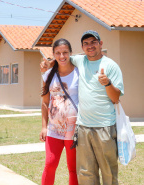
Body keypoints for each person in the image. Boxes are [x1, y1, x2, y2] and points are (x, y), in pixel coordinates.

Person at [40, 30, 124, 185]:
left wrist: (107, 83)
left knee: (99, 170)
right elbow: (61, 60)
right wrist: (50, 63)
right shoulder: (66, 67)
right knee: (83, 171)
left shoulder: (102, 66)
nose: (90, 46)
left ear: (100, 43)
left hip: (93, 127)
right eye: (86, 43)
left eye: (93, 42)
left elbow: (116, 97)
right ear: (82, 47)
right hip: (74, 128)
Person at [40, 38, 79, 185]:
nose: (62, 56)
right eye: (58, 53)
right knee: (50, 165)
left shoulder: (78, 73)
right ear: (53, 54)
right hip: (54, 129)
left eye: (65, 52)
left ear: (70, 53)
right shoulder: (48, 75)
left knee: (73, 168)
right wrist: (44, 126)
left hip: (73, 130)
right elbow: (44, 102)